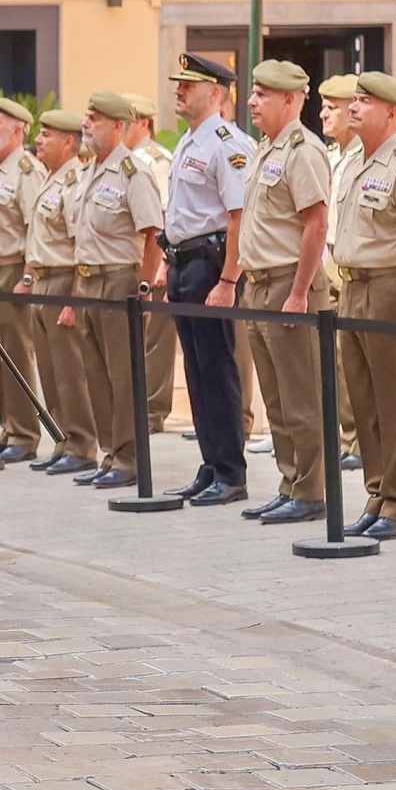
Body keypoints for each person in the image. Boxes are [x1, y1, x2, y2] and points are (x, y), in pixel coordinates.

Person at [238, 60, 331, 525]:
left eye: (262, 95)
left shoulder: (303, 150)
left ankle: (312, 491)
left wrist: (299, 292)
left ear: (290, 101)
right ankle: (289, 481)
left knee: (301, 397)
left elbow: (316, 222)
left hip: (288, 284)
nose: (252, 102)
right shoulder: (264, 149)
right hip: (259, 285)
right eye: (254, 93)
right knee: (275, 398)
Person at [333, 72, 396, 542]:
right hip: (352, 287)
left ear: (392, 113)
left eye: (365, 102)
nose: (354, 107)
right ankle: (378, 493)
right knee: (363, 400)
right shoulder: (352, 162)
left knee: (394, 400)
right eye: (355, 100)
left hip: (390, 287)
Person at [161, 53, 252, 507]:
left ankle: (232, 471)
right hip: (182, 264)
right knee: (195, 371)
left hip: (210, 266)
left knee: (217, 369)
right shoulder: (189, 141)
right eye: (178, 83)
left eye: (188, 85)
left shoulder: (225, 143)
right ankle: (211, 462)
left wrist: (229, 281)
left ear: (215, 94)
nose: (178, 90)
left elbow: (238, 217)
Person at [67, 92, 164, 490]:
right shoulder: (90, 171)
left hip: (118, 279)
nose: (87, 124)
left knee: (123, 377)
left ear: (119, 127)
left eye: (96, 118)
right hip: (88, 280)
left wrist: (143, 286)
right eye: (87, 117)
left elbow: (153, 234)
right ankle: (110, 452)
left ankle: (129, 458)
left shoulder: (133, 172)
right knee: (96, 374)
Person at [17, 108, 98, 475]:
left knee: (70, 372)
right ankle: (63, 440)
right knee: (49, 370)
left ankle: (82, 445)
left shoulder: (73, 184)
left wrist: (73, 299)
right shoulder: (50, 180)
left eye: (47, 134)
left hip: (65, 279)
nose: (39, 140)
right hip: (44, 280)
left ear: (68, 142)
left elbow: (79, 244)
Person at [0, 97, 45, 462]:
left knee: (14, 356)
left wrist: (29, 276)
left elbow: (37, 226)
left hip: (11, 270)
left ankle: (25, 434)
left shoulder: (26, 170)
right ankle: (8, 427)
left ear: (17, 131)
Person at [123, 92, 178, 434]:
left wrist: (163, 265)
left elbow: (165, 216)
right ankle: (138, 405)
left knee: (156, 341)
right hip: (136, 259)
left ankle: (153, 411)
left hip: (155, 260)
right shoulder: (127, 159)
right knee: (139, 339)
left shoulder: (154, 159)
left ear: (142, 123)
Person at [320, 73, 364, 471]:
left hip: (355, 264)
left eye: (332, 108)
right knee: (334, 360)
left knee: (356, 363)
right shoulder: (331, 156)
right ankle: (344, 435)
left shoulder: (366, 156)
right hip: (329, 260)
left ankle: (359, 442)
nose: (323, 115)